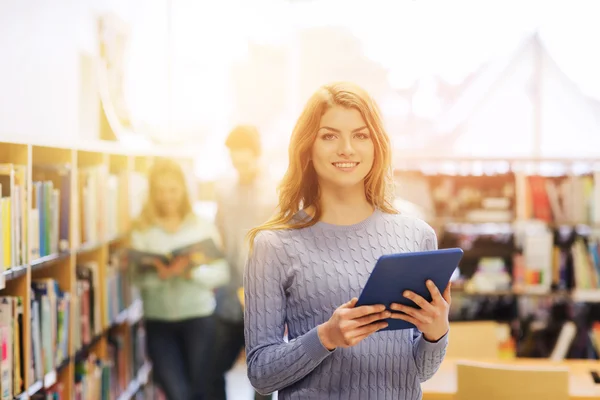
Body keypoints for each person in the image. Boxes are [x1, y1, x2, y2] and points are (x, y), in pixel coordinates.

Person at [244, 82, 451, 399]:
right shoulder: (273, 244)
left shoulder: (417, 235)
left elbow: (419, 371)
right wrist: (326, 337)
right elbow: (261, 375)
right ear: (308, 147)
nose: (346, 149)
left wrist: (436, 334)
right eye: (329, 135)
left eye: (361, 135)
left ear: (376, 146)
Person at [129, 158, 229, 400]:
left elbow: (221, 272)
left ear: (184, 190)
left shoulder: (201, 227)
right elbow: (136, 279)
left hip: (199, 319)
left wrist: (191, 272)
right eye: (160, 191)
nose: (167, 197)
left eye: (172, 190)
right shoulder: (142, 230)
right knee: (177, 393)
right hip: (159, 322)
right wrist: (161, 276)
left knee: (200, 391)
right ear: (152, 193)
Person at [208, 125, 277, 400]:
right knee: (212, 368)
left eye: (245, 161)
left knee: (263, 376)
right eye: (235, 162)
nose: (240, 168)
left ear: (257, 156)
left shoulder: (275, 191)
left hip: (264, 296)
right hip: (230, 293)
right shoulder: (224, 190)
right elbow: (221, 236)